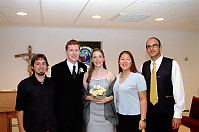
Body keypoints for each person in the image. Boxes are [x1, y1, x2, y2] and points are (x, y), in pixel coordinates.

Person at [140, 37, 185, 132]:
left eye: (154, 45)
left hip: (167, 113)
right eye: (148, 46)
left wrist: (177, 115)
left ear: (160, 47)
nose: (151, 48)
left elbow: (179, 90)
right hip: (150, 114)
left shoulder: (172, 64)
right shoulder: (144, 66)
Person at [51, 39, 87, 132]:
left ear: (79, 51)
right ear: (66, 52)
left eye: (76, 50)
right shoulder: (56, 69)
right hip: (62, 114)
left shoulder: (84, 67)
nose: (74, 53)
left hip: (79, 114)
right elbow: (53, 93)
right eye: (71, 50)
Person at [15, 54, 57, 132]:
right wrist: (21, 128)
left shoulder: (53, 84)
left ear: (47, 66)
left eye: (43, 63)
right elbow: (19, 109)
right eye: (38, 64)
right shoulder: (24, 85)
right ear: (32, 67)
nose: (41, 66)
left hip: (51, 128)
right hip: (32, 128)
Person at [83, 48, 117, 132]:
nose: (97, 60)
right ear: (91, 59)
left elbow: (116, 94)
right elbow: (83, 95)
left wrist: (107, 99)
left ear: (103, 58)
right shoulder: (86, 75)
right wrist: (91, 98)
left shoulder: (110, 75)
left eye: (100, 57)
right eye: (95, 57)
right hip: (92, 116)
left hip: (107, 116)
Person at [113, 51, 147, 132]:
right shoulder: (118, 76)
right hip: (119, 116)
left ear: (132, 62)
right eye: (122, 59)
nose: (125, 61)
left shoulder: (138, 77)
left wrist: (143, 119)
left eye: (128, 59)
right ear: (119, 62)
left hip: (133, 117)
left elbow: (143, 99)